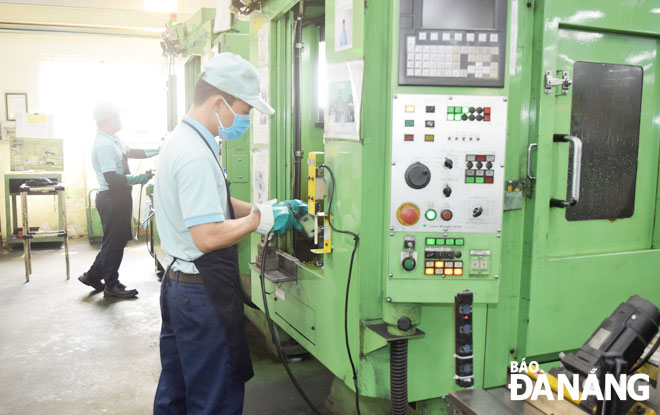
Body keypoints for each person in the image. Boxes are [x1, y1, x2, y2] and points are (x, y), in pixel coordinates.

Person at [152, 52, 302, 414]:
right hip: (201, 296)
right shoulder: (195, 154)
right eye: (245, 111)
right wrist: (260, 221)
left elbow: (213, 201)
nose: (244, 120)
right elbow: (207, 236)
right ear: (220, 102)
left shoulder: (184, 139)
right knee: (214, 398)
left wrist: (258, 209)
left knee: (178, 390)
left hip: (179, 287)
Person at [78, 103, 158, 298]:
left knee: (116, 240)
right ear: (109, 119)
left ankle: (93, 275)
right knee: (114, 242)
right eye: (118, 117)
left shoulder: (114, 140)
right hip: (112, 197)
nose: (120, 120)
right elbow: (112, 179)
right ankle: (111, 285)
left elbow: (131, 152)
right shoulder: (104, 145)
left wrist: (159, 149)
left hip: (119, 197)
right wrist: (138, 178)